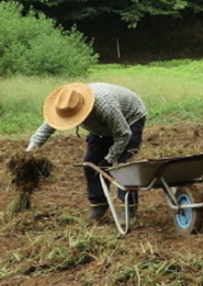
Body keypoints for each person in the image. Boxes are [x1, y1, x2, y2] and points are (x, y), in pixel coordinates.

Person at [25, 83, 147, 223]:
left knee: (124, 166)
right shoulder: (64, 106)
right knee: (91, 164)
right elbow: (45, 129)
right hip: (100, 128)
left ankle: (128, 208)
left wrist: (109, 158)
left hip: (130, 119)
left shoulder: (105, 106)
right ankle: (99, 205)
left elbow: (124, 134)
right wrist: (29, 151)